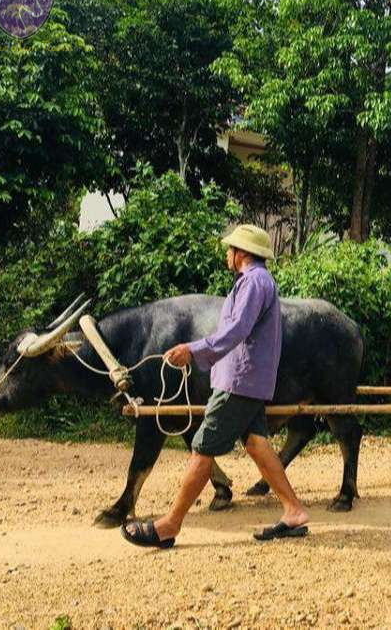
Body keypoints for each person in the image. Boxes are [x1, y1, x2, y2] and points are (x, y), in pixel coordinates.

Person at [121, 224, 308, 549]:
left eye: (230, 249)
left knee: (203, 447)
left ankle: (169, 525)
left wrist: (191, 350)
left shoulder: (253, 283)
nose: (226, 254)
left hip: (239, 382)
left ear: (242, 253)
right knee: (256, 445)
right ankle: (293, 511)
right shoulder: (255, 282)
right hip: (245, 379)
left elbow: (236, 330)